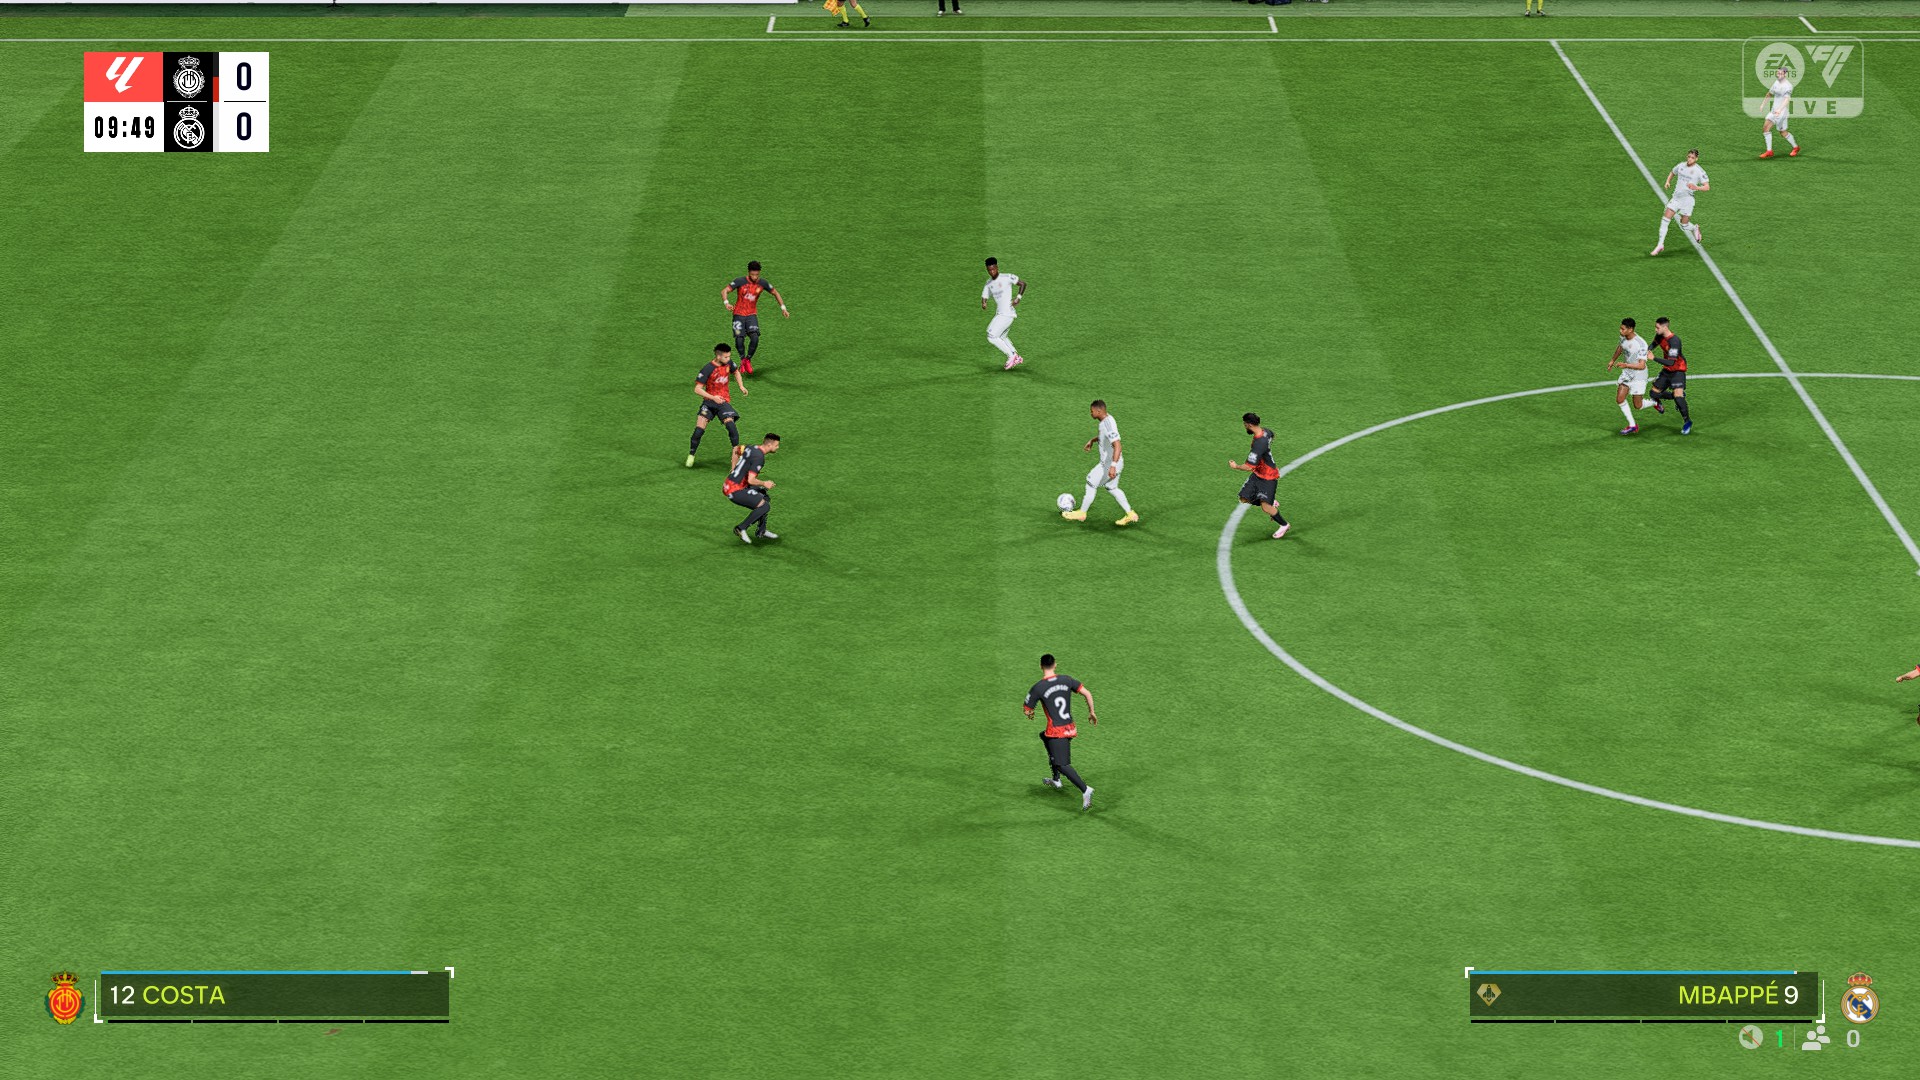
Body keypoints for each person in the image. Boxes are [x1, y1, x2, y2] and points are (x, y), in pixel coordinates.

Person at [1024, 653, 1097, 810]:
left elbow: (1027, 710)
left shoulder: (1038, 687)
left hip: (1057, 732)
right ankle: (1056, 780)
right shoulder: (1066, 679)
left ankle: (1085, 790)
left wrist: (1030, 714)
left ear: (1041, 666)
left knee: (1062, 764)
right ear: (1055, 664)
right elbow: (1087, 693)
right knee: (1044, 736)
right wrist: (1092, 712)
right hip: (1070, 727)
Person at [1063, 400, 1138, 526]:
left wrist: (1112, 466)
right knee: (1112, 487)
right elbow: (1105, 436)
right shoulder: (1107, 420)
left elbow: (1118, 445)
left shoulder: (1107, 424)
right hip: (1118, 462)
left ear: (1099, 411)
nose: (1090, 413)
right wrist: (1093, 440)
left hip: (1109, 464)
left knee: (1090, 482)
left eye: (1091, 411)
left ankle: (1082, 513)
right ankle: (1130, 514)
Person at [1229, 412, 1290, 539]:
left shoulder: (1259, 444)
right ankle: (1269, 499)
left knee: (1266, 508)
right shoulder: (1266, 432)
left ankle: (1284, 525)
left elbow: (1249, 466)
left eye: (1245, 424)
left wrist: (1236, 466)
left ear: (1250, 425)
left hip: (1268, 476)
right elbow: (1272, 436)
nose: (1244, 426)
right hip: (1258, 473)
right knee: (1244, 498)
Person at [722, 261, 789, 375]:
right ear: (748, 272)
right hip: (738, 315)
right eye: (752, 274)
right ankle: (742, 359)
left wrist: (783, 308)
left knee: (755, 338)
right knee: (739, 339)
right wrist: (726, 303)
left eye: (757, 275)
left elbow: (775, 293)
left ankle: (747, 360)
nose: (754, 277)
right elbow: (724, 291)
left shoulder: (762, 283)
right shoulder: (740, 281)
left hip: (751, 315)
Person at [686, 343, 746, 468]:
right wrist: (713, 397)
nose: (728, 359)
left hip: (723, 403)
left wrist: (741, 386)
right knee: (699, 431)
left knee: (731, 426)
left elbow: (736, 372)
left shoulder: (729, 363)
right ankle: (691, 455)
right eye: (726, 357)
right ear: (718, 356)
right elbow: (697, 389)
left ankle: (736, 456)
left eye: (729, 356)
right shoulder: (708, 369)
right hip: (709, 403)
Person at [723, 433, 781, 544]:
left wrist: (733, 468)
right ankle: (741, 528)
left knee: (764, 496)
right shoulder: (759, 458)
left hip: (730, 483)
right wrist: (764, 483)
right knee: (765, 506)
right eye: (776, 445)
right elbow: (751, 480)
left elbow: (736, 449)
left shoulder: (751, 448)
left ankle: (761, 531)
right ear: (769, 445)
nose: (777, 448)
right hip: (735, 489)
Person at [1652, 149, 1708, 257]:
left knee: (1684, 225)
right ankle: (1660, 244)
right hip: (1676, 198)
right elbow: (1673, 172)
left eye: (1692, 158)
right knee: (1665, 219)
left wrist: (1696, 187)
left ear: (1696, 159)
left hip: (1688, 200)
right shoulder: (1681, 165)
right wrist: (1668, 181)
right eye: (1689, 157)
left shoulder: (1699, 171)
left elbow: (1707, 187)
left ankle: (1694, 228)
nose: (1690, 159)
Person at [1645, 316, 1692, 435]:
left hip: (1678, 370)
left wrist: (1653, 358)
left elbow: (1671, 362)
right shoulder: (1660, 335)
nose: (1655, 330)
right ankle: (1674, 397)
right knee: (1653, 393)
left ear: (1665, 327)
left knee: (1678, 397)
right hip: (1667, 370)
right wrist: (1646, 351)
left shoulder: (1674, 341)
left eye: (1657, 327)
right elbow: (1654, 344)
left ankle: (1687, 422)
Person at [1606, 318, 1653, 435]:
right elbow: (1621, 347)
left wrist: (1625, 364)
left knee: (1638, 405)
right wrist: (1612, 360)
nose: (1620, 331)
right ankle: (1632, 425)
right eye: (1620, 328)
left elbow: (1641, 365)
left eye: (1623, 329)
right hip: (1627, 372)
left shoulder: (1641, 344)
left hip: (1639, 375)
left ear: (1630, 329)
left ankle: (1655, 403)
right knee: (1620, 399)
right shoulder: (1623, 337)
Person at [981, 257, 1027, 370]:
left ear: (997, 267)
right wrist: (984, 302)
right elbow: (985, 295)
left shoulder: (1006, 277)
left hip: (1006, 314)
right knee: (1002, 336)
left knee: (991, 336)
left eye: (993, 269)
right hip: (1001, 314)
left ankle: (1011, 356)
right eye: (989, 270)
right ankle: (1016, 356)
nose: (992, 272)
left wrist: (1018, 298)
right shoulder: (989, 283)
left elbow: (1023, 284)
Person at [1760, 67, 1802, 159]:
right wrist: (1763, 104)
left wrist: (1779, 110)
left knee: (1782, 132)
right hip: (1773, 111)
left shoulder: (1788, 86)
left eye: (1780, 73)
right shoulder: (1776, 82)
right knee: (1766, 128)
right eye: (1777, 73)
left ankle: (1795, 147)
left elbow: (1787, 99)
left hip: (1781, 113)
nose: (1778, 75)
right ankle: (1769, 151)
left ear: (1785, 74)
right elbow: (1769, 94)